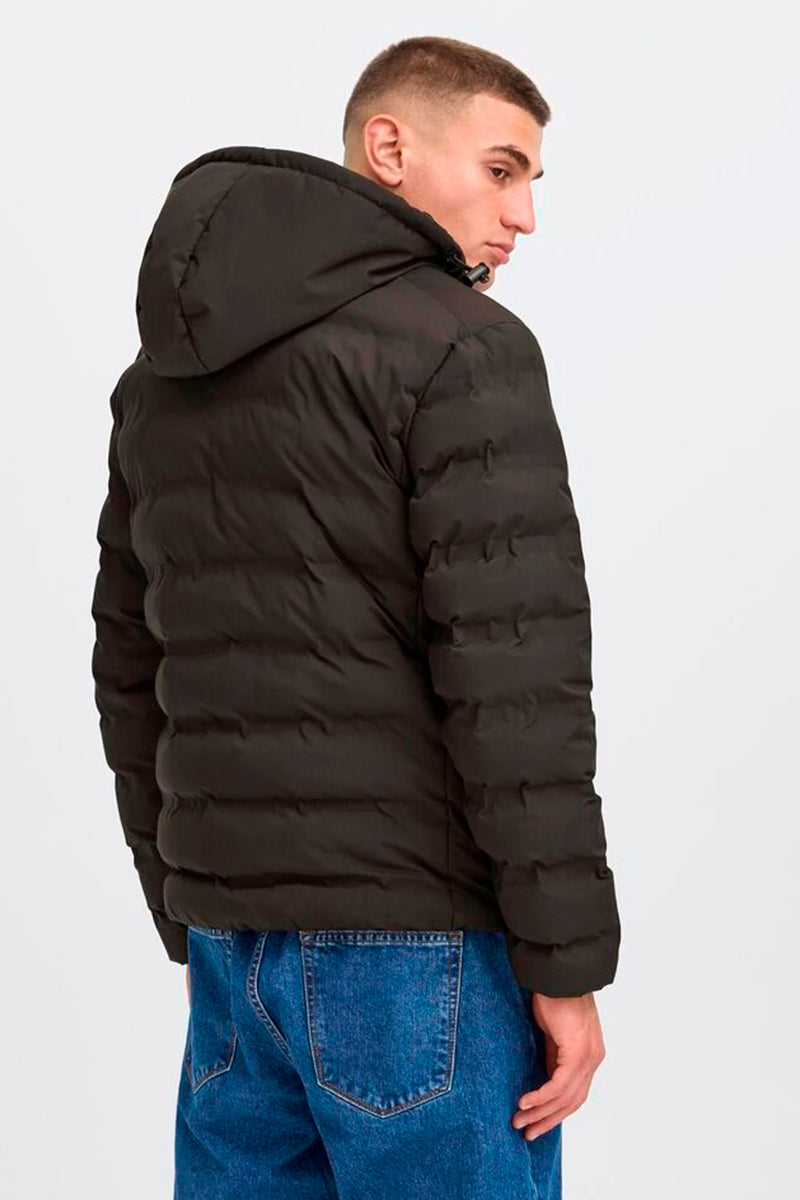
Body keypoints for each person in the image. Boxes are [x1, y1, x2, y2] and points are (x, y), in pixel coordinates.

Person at [91, 34, 621, 1200]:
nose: (523, 215)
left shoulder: (160, 376)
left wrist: (189, 909)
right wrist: (563, 964)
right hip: (419, 954)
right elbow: (513, 687)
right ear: (389, 146)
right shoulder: (462, 349)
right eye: (500, 169)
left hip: (232, 952)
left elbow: (128, 662)